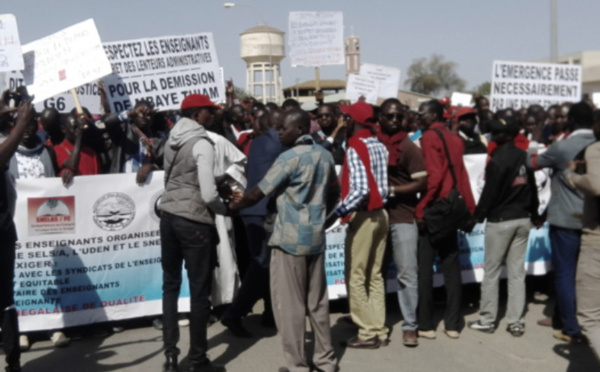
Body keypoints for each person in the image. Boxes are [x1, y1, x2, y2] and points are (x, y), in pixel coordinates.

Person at [229, 109, 339, 372]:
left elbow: (258, 191)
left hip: (289, 240)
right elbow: (334, 192)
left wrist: (237, 203)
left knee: (289, 305)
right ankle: (326, 360)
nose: (278, 132)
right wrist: (320, 217)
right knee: (318, 302)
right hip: (315, 237)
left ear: (300, 129)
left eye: (283, 129)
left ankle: (297, 364)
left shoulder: (288, 158)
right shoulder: (324, 154)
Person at [159, 94, 228, 372]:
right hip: (194, 221)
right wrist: (224, 209)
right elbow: (208, 193)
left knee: (170, 287)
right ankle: (198, 359)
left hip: (169, 218)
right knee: (199, 291)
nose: (212, 116)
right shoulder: (202, 143)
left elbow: (174, 180)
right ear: (197, 114)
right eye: (209, 112)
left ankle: (171, 356)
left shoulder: (170, 140)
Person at [527, 102, 596, 343]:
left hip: (565, 220)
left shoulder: (562, 147)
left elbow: (532, 163)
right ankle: (574, 320)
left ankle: (571, 328)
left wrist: (534, 140)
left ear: (572, 122)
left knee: (565, 274)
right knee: (586, 275)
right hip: (592, 220)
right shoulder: (596, 145)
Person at [468, 119, 541, 337]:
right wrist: (535, 213)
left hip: (500, 221)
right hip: (522, 220)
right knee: (517, 273)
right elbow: (533, 186)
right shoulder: (523, 155)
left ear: (504, 136)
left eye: (496, 132)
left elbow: (489, 194)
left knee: (491, 272)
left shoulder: (497, 160)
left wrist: (475, 218)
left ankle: (487, 320)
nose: (492, 135)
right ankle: (515, 322)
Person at [415, 99, 476, 340]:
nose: (419, 117)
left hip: (435, 209)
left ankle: (426, 324)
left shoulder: (429, 137)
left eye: (422, 113)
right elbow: (462, 176)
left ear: (433, 116)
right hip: (452, 209)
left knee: (425, 268)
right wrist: (470, 208)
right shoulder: (455, 138)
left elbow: (435, 177)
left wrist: (421, 208)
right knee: (451, 267)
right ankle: (452, 324)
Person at [221, 109, 284, 338]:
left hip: (256, 210)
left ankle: (269, 312)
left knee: (268, 262)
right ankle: (234, 314)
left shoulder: (258, 141)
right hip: (259, 210)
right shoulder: (276, 142)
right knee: (262, 264)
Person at [334, 101, 390, 349]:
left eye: (345, 118)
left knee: (356, 275)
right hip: (381, 214)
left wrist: (339, 211)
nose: (342, 122)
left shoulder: (356, 146)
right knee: (374, 274)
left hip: (365, 216)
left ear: (353, 121)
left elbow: (361, 189)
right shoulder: (378, 143)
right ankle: (378, 328)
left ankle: (367, 332)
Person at [377, 98, 427, 347]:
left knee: (407, 274)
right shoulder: (372, 142)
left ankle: (410, 326)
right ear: (381, 118)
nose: (394, 120)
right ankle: (373, 322)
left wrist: (391, 191)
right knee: (375, 274)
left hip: (402, 217)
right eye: (389, 116)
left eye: (398, 116)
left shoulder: (409, 148)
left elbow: (421, 182)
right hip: (375, 218)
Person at [0, 93, 34, 372]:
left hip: (3, 232)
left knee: (6, 299)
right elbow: (4, 153)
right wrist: (21, 124)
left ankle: (13, 362)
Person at [564, 120, 600, 360]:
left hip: (597, 240)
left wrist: (572, 177)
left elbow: (596, 184)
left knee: (589, 316)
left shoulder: (596, 148)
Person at [103, 100, 165, 183]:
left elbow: (166, 166)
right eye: (142, 114)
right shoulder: (123, 130)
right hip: (120, 183)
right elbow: (108, 121)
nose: (146, 118)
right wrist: (129, 113)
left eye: (149, 115)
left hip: (145, 186)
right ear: (135, 114)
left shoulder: (158, 139)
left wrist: (152, 166)